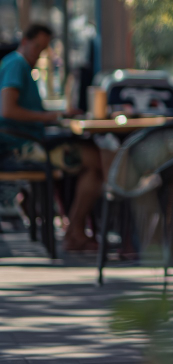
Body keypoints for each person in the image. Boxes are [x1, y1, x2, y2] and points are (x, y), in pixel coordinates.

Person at [0, 24, 107, 251]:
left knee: (85, 152)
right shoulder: (16, 64)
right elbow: (7, 110)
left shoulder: (16, 65)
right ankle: (75, 231)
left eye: (44, 48)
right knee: (95, 161)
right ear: (25, 42)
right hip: (21, 146)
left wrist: (56, 116)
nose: (38, 53)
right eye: (36, 46)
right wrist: (52, 116)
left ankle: (71, 226)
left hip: (26, 140)